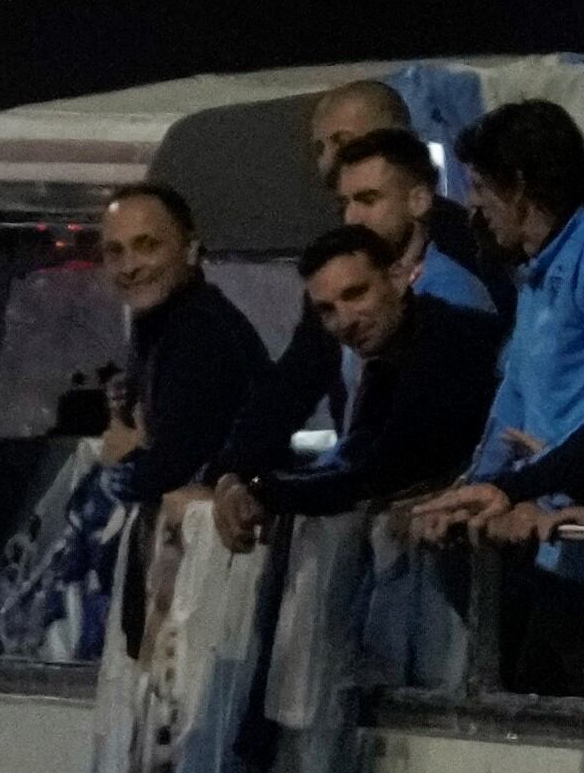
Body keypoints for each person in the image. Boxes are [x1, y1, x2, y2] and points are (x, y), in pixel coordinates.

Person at [409, 105, 584, 692]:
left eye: (478, 187)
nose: (470, 206)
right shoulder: (538, 274)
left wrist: (546, 483)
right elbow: (513, 405)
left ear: (520, 187)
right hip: (553, 555)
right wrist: (470, 495)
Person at [200, 228, 504, 547]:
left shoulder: (449, 343)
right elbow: (288, 401)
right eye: (326, 310)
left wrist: (263, 490)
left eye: (356, 294)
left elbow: (388, 468)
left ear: (399, 278)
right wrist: (234, 476)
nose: (344, 321)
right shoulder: (393, 351)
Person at [95, 182, 268, 502]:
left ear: (189, 250)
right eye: (115, 251)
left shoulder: (201, 333)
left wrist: (125, 455)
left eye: (147, 245)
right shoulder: (160, 324)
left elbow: (165, 474)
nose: (130, 266)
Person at [308, 79, 507, 303]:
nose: (328, 161)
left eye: (343, 141)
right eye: (320, 149)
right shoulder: (334, 258)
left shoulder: (465, 248)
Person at [324, 126, 505, 320]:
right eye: (344, 205)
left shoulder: (450, 293)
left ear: (419, 201)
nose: (351, 218)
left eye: (369, 200)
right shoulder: (349, 293)